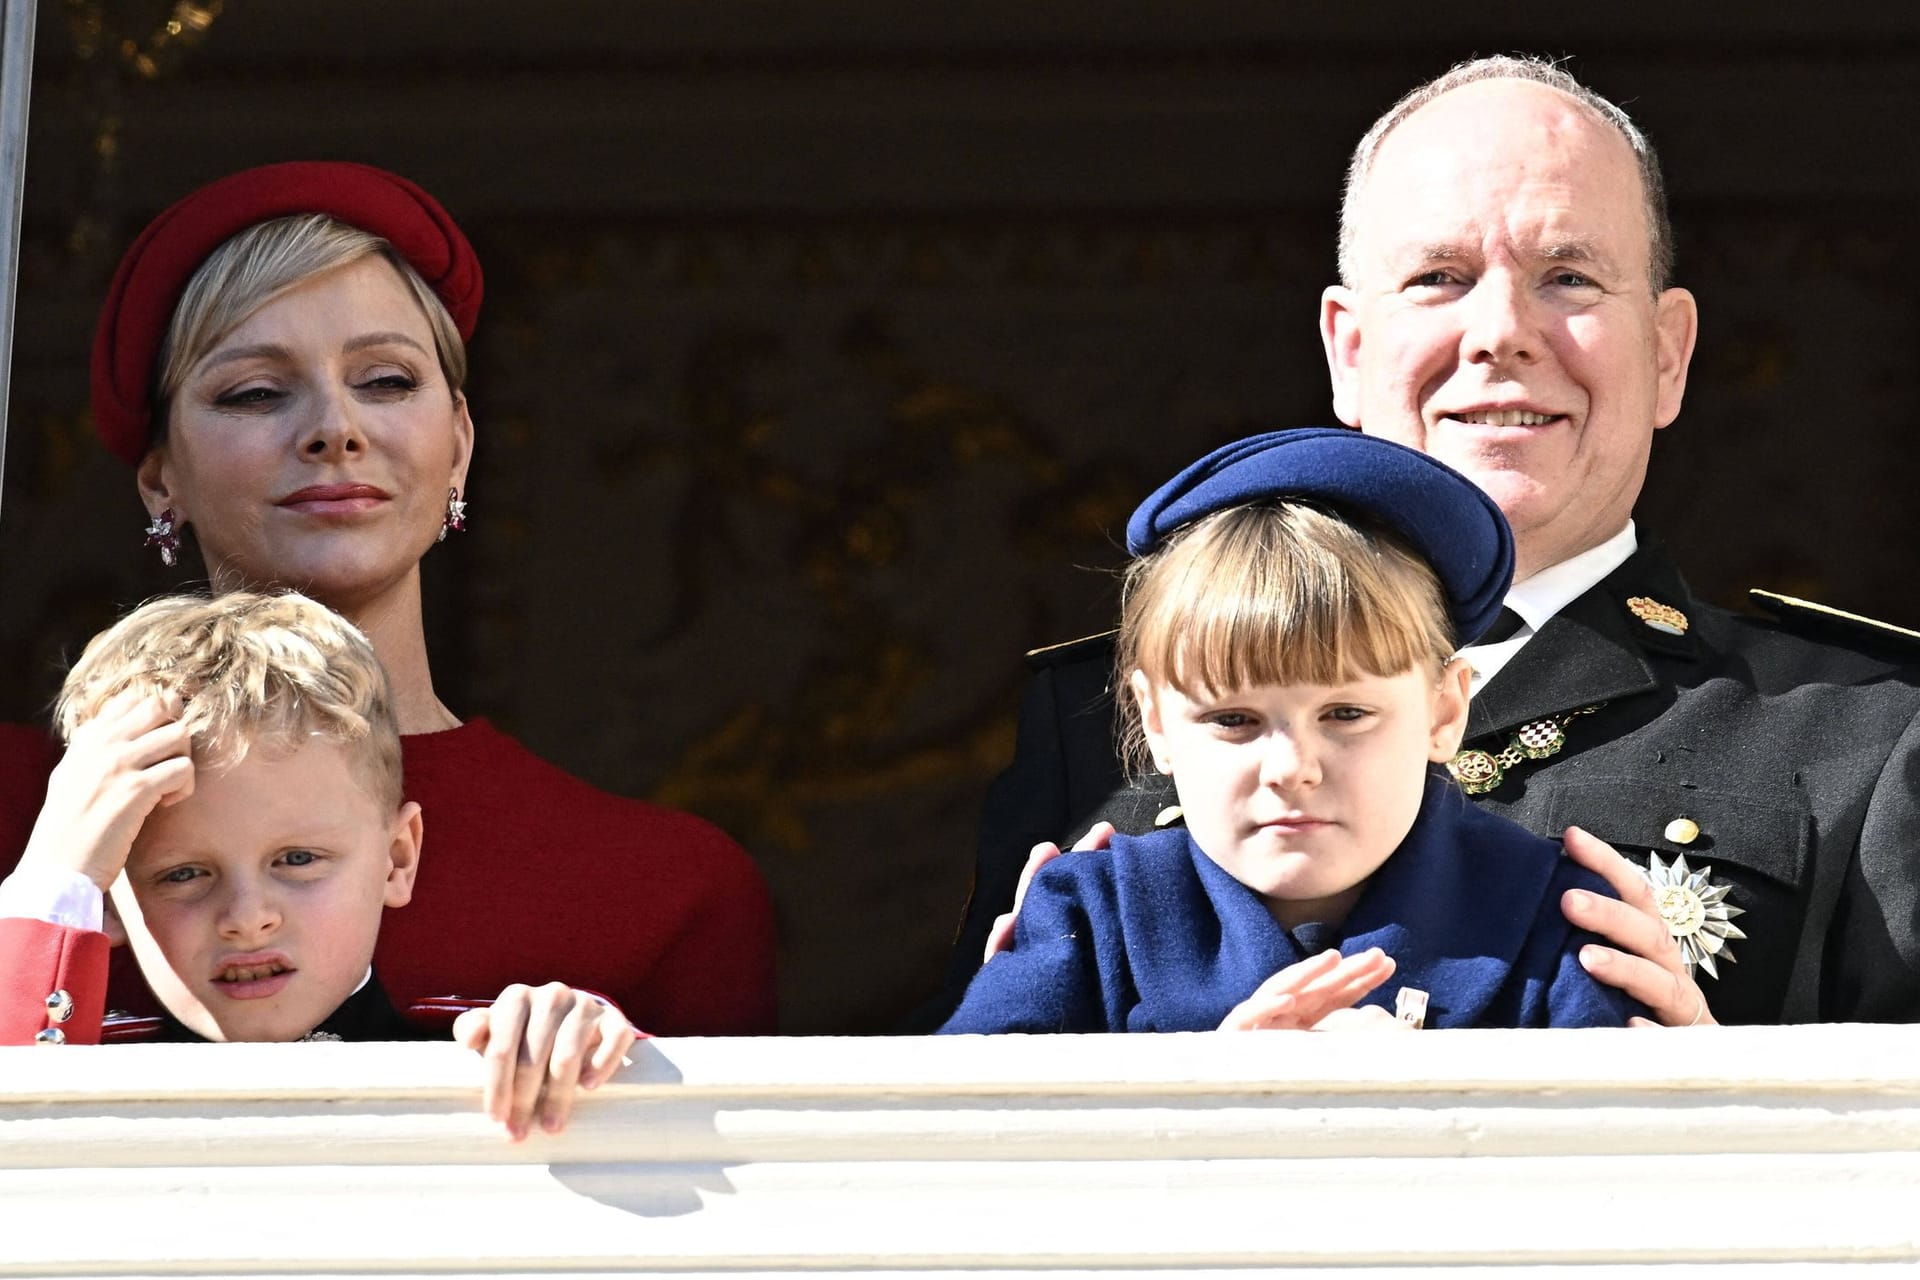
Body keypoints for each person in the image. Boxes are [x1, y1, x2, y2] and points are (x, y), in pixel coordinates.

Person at [946, 55, 1920, 1029]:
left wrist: (1725, 1105)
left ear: (1668, 352)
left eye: (1569, 276)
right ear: (1349, 347)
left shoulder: (1868, 736)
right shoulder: (1088, 730)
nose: (1500, 330)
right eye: (1439, 278)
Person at [0, 162, 776, 1035]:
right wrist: (48, 888)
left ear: (460, 446)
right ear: (159, 478)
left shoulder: (662, 887)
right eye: (256, 392)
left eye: (387, 381)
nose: (336, 428)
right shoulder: (13, 807)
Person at [941, 429, 1644, 1034]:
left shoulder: (1554, 914)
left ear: (1443, 711)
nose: (1291, 766)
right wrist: (1207, 1100)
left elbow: (1633, 1175)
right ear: (1154, 720)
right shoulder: (1094, 913)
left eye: (1345, 714)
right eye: (1234, 720)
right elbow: (955, 1155)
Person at [0, 591, 636, 1140]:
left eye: (298, 859)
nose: (247, 920)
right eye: (184, 874)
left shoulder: (488, 1055)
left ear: (397, 857)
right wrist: (55, 874)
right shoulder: (74, 1056)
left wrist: (576, 1048)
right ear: (107, 898)